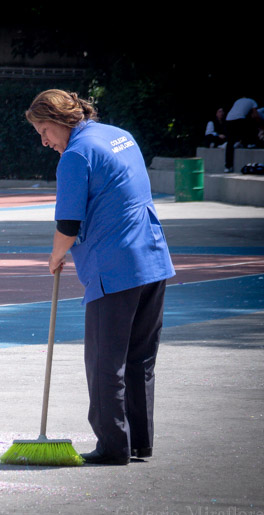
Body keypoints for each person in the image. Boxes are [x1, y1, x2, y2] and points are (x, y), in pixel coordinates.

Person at [25, 89, 175, 465]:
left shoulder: (75, 155)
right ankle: (139, 441)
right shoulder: (118, 134)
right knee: (140, 358)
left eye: (44, 130)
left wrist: (56, 255)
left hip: (116, 268)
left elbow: (69, 224)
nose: (44, 141)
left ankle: (113, 445)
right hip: (152, 258)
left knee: (106, 362)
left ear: (60, 121)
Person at [224, 97, 259, 172]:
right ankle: (248, 143)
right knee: (249, 124)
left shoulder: (238, 100)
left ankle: (228, 166)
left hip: (228, 119)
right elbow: (255, 115)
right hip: (239, 119)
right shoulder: (252, 101)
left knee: (230, 143)